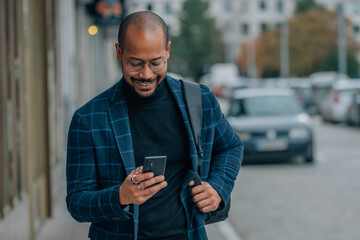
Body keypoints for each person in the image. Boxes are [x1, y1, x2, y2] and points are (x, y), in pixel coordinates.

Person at [66, 11, 243, 240]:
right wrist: (120, 196)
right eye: (136, 64)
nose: (146, 74)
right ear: (119, 53)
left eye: (156, 63)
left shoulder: (199, 100)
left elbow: (231, 146)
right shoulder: (88, 119)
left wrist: (218, 188)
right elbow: (77, 203)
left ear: (167, 51)